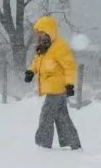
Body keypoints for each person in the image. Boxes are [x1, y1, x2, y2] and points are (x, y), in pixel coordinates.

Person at [24, 15, 82, 150]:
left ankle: (42, 145)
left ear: (50, 31)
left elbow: (69, 66)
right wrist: (31, 71)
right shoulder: (43, 47)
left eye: (43, 32)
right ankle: (73, 143)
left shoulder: (60, 47)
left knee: (46, 114)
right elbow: (37, 62)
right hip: (53, 89)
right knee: (62, 117)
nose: (41, 35)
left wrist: (69, 84)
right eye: (39, 33)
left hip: (58, 88)